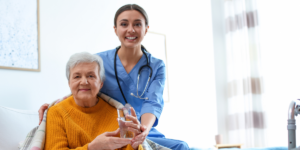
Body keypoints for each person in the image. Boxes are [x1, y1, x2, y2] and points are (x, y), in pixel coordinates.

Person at [40, 4, 189, 150]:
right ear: (115, 29)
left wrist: (143, 130)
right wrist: (53, 107)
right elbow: (84, 86)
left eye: (137, 24)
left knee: (182, 146)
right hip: (109, 127)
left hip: (142, 128)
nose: (130, 29)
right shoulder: (99, 61)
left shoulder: (156, 66)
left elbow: (153, 103)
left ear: (146, 29)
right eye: (124, 24)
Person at [44, 52, 144, 150]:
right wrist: (92, 148)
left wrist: (135, 145)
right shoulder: (56, 113)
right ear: (69, 83)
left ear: (101, 83)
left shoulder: (117, 115)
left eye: (91, 76)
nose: (84, 82)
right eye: (77, 76)